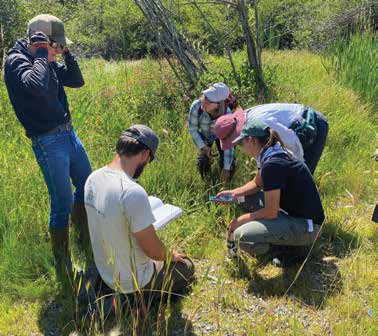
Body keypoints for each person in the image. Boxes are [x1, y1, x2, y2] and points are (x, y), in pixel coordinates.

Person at [4, 14, 92, 283]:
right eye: (56, 45)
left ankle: (82, 238)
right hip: (48, 141)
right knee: (61, 202)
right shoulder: (16, 61)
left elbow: (77, 81)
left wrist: (66, 53)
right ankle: (63, 262)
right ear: (39, 41)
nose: (57, 51)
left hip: (68, 134)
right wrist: (43, 53)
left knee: (87, 185)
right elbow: (36, 86)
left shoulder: (49, 59)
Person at [84, 125, 195, 304]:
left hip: (106, 271)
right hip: (133, 281)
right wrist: (171, 255)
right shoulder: (132, 192)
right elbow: (153, 251)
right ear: (144, 154)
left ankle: (106, 290)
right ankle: (131, 300)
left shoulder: (92, 179)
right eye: (149, 160)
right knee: (187, 266)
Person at [216, 115, 325, 265]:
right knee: (243, 199)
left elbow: (270, 212)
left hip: (307, 226)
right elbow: (257, 183)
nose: (241, 148)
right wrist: (234, 194)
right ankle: (279, 237)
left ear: (251, 140)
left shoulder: (272, 164)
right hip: (290, 212)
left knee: (242, 236)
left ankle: (286, 248)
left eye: (241, 144)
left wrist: (238, 221)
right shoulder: (271, 151)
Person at [188, 83, 236, 181]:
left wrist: (226, 169)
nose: (203, 101)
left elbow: (228, 145)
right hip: (205, 135)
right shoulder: (196, 106)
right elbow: (193, 129)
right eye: (204, 96)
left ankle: (226, 187)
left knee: (229, 166)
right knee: (203, 163)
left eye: (209, 101)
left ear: (218, 105)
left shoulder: (227, 116)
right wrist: (203, 146)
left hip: (221, 137)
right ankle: (207, 182)